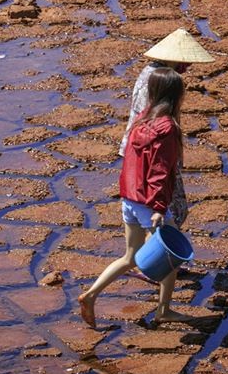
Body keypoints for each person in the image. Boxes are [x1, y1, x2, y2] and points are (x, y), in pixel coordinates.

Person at [78, 67, 192, 328]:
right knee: (171, 258)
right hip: (148, 203)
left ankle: (91, 294)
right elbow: (160, 171)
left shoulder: (141, 120)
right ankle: (163, 310)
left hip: (129, 198)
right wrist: (159, 207)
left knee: (130, 257)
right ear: (177, 95)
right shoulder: (168, 128)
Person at [118, 28, 215, 228]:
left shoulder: (152, 73)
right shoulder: (159, 83)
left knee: (136, 245)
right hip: (148, 152)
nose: (188, 65)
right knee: (169, 218)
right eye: (185, 60)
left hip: (137, 153)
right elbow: (158, 169)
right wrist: (159, 207)